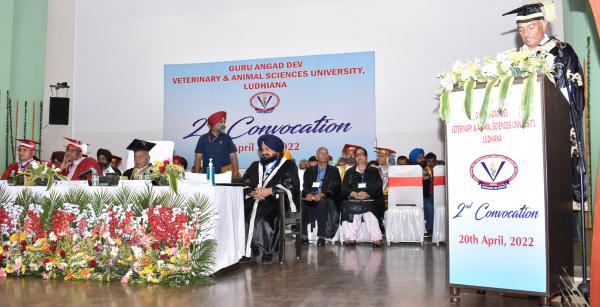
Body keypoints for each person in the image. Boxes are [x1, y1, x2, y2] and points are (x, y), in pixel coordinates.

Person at [503, 2, 587, 205]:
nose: (526, 34)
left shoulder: (561, 52)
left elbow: (574, 95)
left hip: (553, 132)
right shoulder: (514, 60)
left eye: (531, 27)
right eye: (521, 29)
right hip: (523, 132)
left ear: (545, 24)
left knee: (557, 195)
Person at [241, 134, 300, 264]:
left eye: (267, 148)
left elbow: (291, 185)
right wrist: (252, 193)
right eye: (262, 149)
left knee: (264, 217)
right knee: (242, 216)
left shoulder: (288, 165)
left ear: (277, 151)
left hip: (276, 200)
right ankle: (249, 249)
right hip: (254, 199)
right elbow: (244, 183)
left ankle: (268, 250)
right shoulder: (254, 165)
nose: (264, 152)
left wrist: (269, 191)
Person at [340, 147, 383, 247]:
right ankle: (351, 238)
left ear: (366, 157)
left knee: (369, 208)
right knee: (349, 207)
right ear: (355, 158)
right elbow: (344, 188)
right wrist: (355, 194)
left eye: (362, 154)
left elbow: (377, 186)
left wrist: (366, 194)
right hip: (353, 199)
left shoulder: (373, 171)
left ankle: (376, 238)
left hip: (370, 198)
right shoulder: (349, 172)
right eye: (357, 155)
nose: (359, 157)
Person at [301, 147, 341, 246]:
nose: (324, 155)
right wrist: (308, 194)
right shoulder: (309, 170)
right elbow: (305, 187)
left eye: (326, 153)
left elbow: (335, 187)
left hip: (327, 197)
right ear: (316, 156)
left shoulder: (333, 170)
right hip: (312, 197)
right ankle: (304, 235)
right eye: (321, 153)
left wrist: (323, 194)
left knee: (322, 203)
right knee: (302, 203)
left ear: (328, 157)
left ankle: (322, 237)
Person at [193, 111, 241, 179]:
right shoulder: (203, 138)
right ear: (213, 124)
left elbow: (233, 156)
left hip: (225, 176)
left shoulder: (227, 138)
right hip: (208, 176)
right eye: (221, 122)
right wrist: (197, 176)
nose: (223, 124)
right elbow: (198, 157)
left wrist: (235, 173)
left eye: (224, 122)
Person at [423, 152, 437, 236]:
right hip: (426, 196)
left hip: (438, 196)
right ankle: (429, 229)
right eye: (428, 161)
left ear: (436, 162)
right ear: (425, 161)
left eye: (432, 161)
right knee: (429, 208)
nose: (431, 163)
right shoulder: (422, 170)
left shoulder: (440, 170)